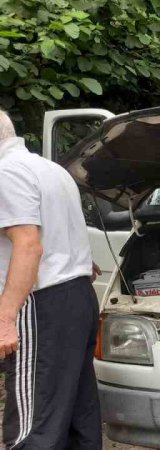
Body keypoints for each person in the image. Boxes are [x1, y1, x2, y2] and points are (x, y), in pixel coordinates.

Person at [0, 109, 102, 449]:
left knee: (34, 426)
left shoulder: (6, 173)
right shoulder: (52, 169)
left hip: (41, 305)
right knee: (76, 414)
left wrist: (5, 318)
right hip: (78, 295)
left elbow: (29, 245)